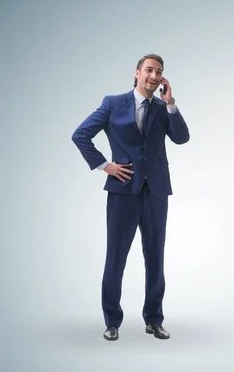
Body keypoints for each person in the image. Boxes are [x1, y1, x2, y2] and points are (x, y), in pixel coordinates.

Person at [72, 54, 190, 341]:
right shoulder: (113, 103)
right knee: (116, 257)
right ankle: (112, 321)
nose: (154, 75)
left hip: (156, 192)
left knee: (155, 257)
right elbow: (81, 135)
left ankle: (154, 319)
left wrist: (171, 103)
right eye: (149, 70)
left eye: (159, 72)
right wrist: (105, 165)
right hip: (123, 190)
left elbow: (182, 138)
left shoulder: (163, 108)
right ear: (137, 73)